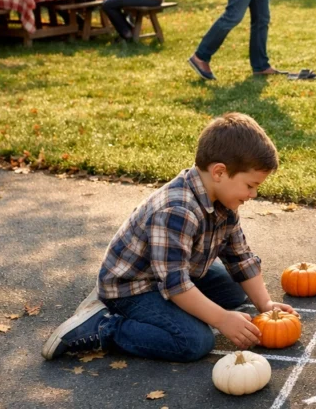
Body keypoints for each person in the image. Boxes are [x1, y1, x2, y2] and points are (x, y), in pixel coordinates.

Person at [42, 112, 296, 362]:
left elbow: (239, 257)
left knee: (233, 291)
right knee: (194, 341)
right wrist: (221, 319)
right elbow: (175, 285)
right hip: (134, 287)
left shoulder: (225, 201)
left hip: (176, 270)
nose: (253, 194)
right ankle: (104, 326)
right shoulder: (178, 210)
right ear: (219, 172)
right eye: (250, 186)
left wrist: (265, 303)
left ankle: (184, 308)